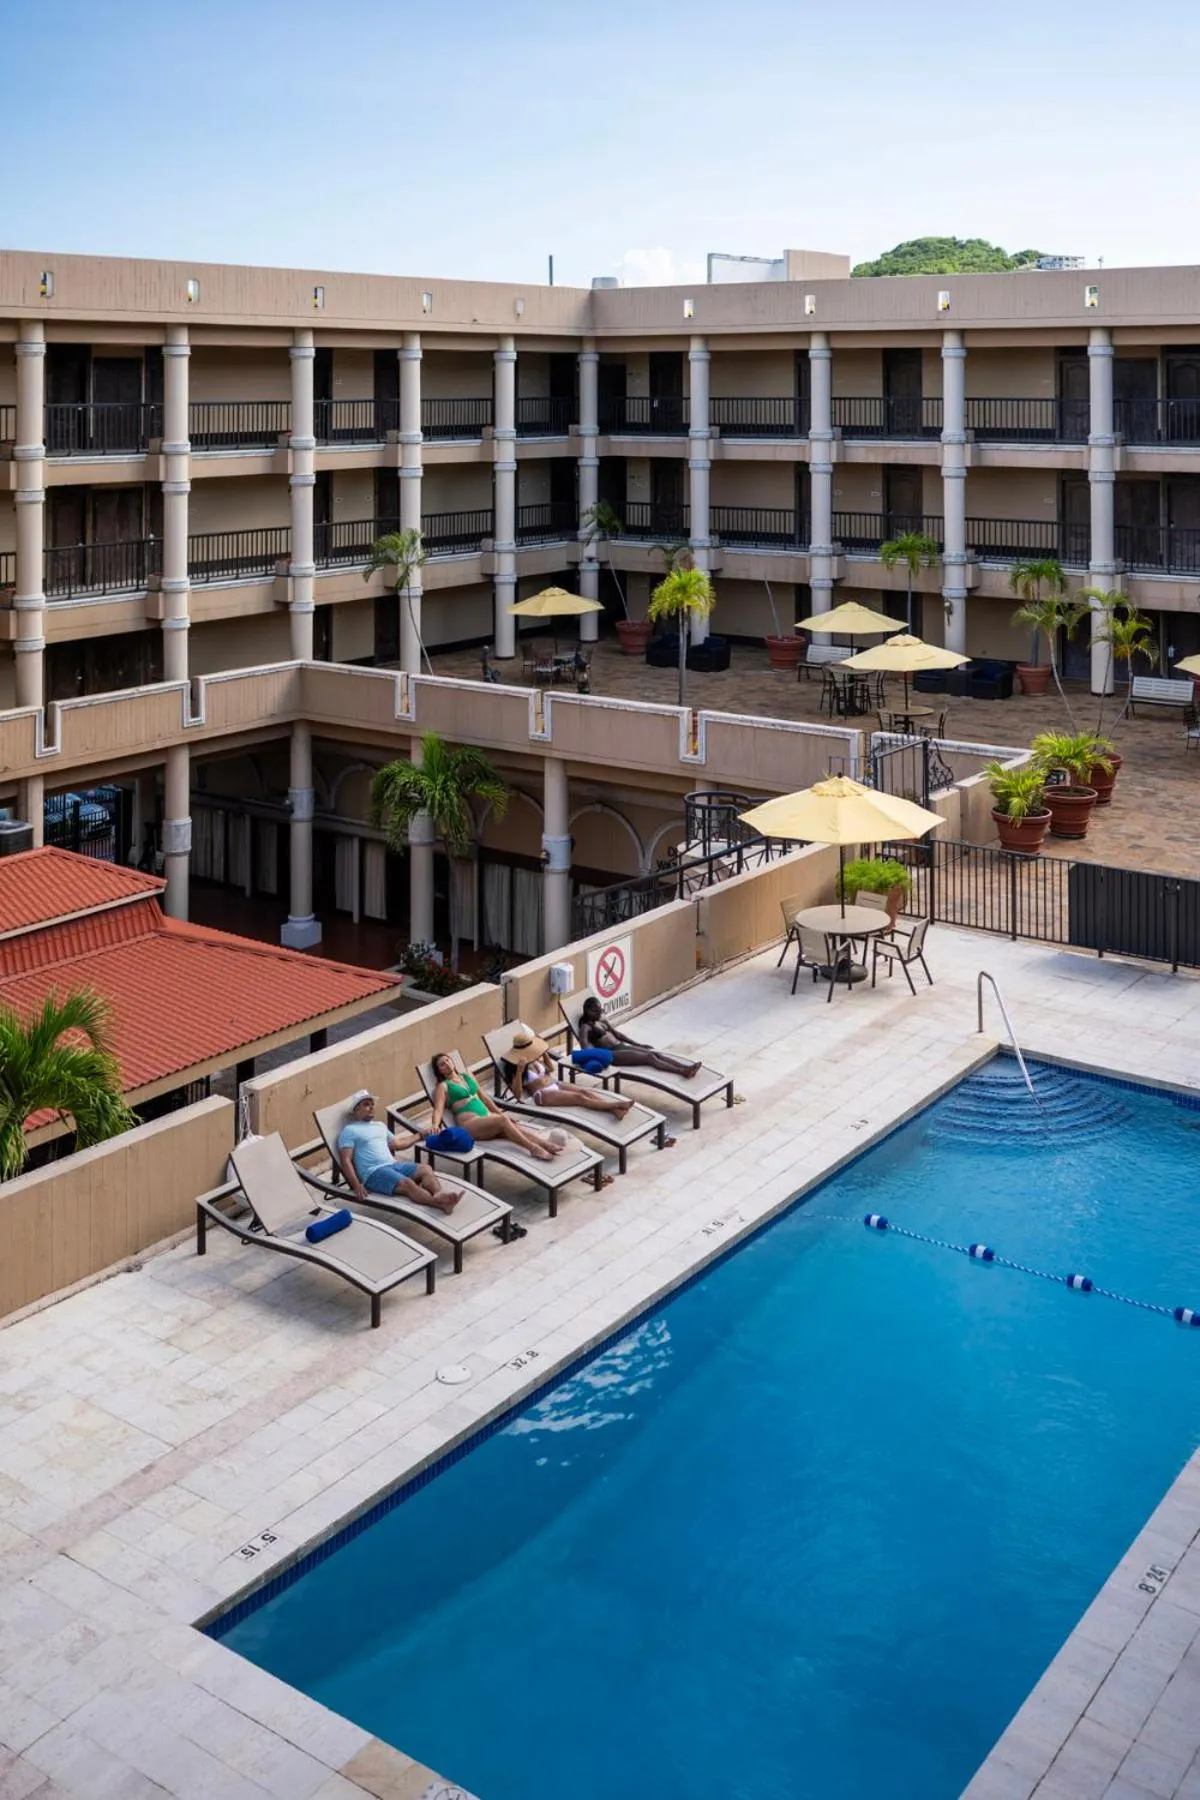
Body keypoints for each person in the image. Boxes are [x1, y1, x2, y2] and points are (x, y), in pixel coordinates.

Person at [429, 1052, 569, 1163]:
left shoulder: (467, 1076)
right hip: (470, 1125)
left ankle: (544, 1143)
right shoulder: (443, 1086)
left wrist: (501, 1114)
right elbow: (438, 1109)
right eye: (442, 1064)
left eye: (447, 1060)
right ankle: (533, 1148)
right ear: (439, 1071)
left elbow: (484, 1098)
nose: (446, 1064)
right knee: (503, 1121)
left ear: (452, 1062)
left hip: (486, 1120)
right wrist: (435, 1124)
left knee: (513, 1127)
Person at [336, 1091, 461, 1213]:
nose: (371, 1107)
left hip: (393, 1165)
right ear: (356, 1109)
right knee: (408, 1184)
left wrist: (419, 1135)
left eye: (372, 1105)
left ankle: (438, 1194)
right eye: (366, 1104)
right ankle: (441, 1205)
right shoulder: (350, 1130)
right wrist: (356, 1185)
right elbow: (345, 1160)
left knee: (426, 1169)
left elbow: (398, 1144)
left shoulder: (379, 1125)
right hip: (373, 1173)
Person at [506, 1028, 635, 1119]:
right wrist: (519, 1072)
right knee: (580, 1099)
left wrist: (543, 1052)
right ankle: (617, 1105)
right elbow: (517, 1095)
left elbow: (550, 1070)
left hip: (555, 1083)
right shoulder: (514, 1067)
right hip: (542, 1095)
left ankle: (615, 1110)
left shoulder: (534, 1058)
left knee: (585, 1092)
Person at [578, 997, 702, 1079]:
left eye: (601, 1009)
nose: (600, 1012)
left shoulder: (601, 1021)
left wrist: (638, 1045)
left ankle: (686, 1067)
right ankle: (682, 1072)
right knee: (649, 1058)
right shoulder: (585, 1027)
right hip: (612, 1054)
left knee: (654, 1053)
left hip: (621, 1047)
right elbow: (585, 1048)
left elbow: (618, 1035)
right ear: (588, 1011)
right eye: (597, 1010)